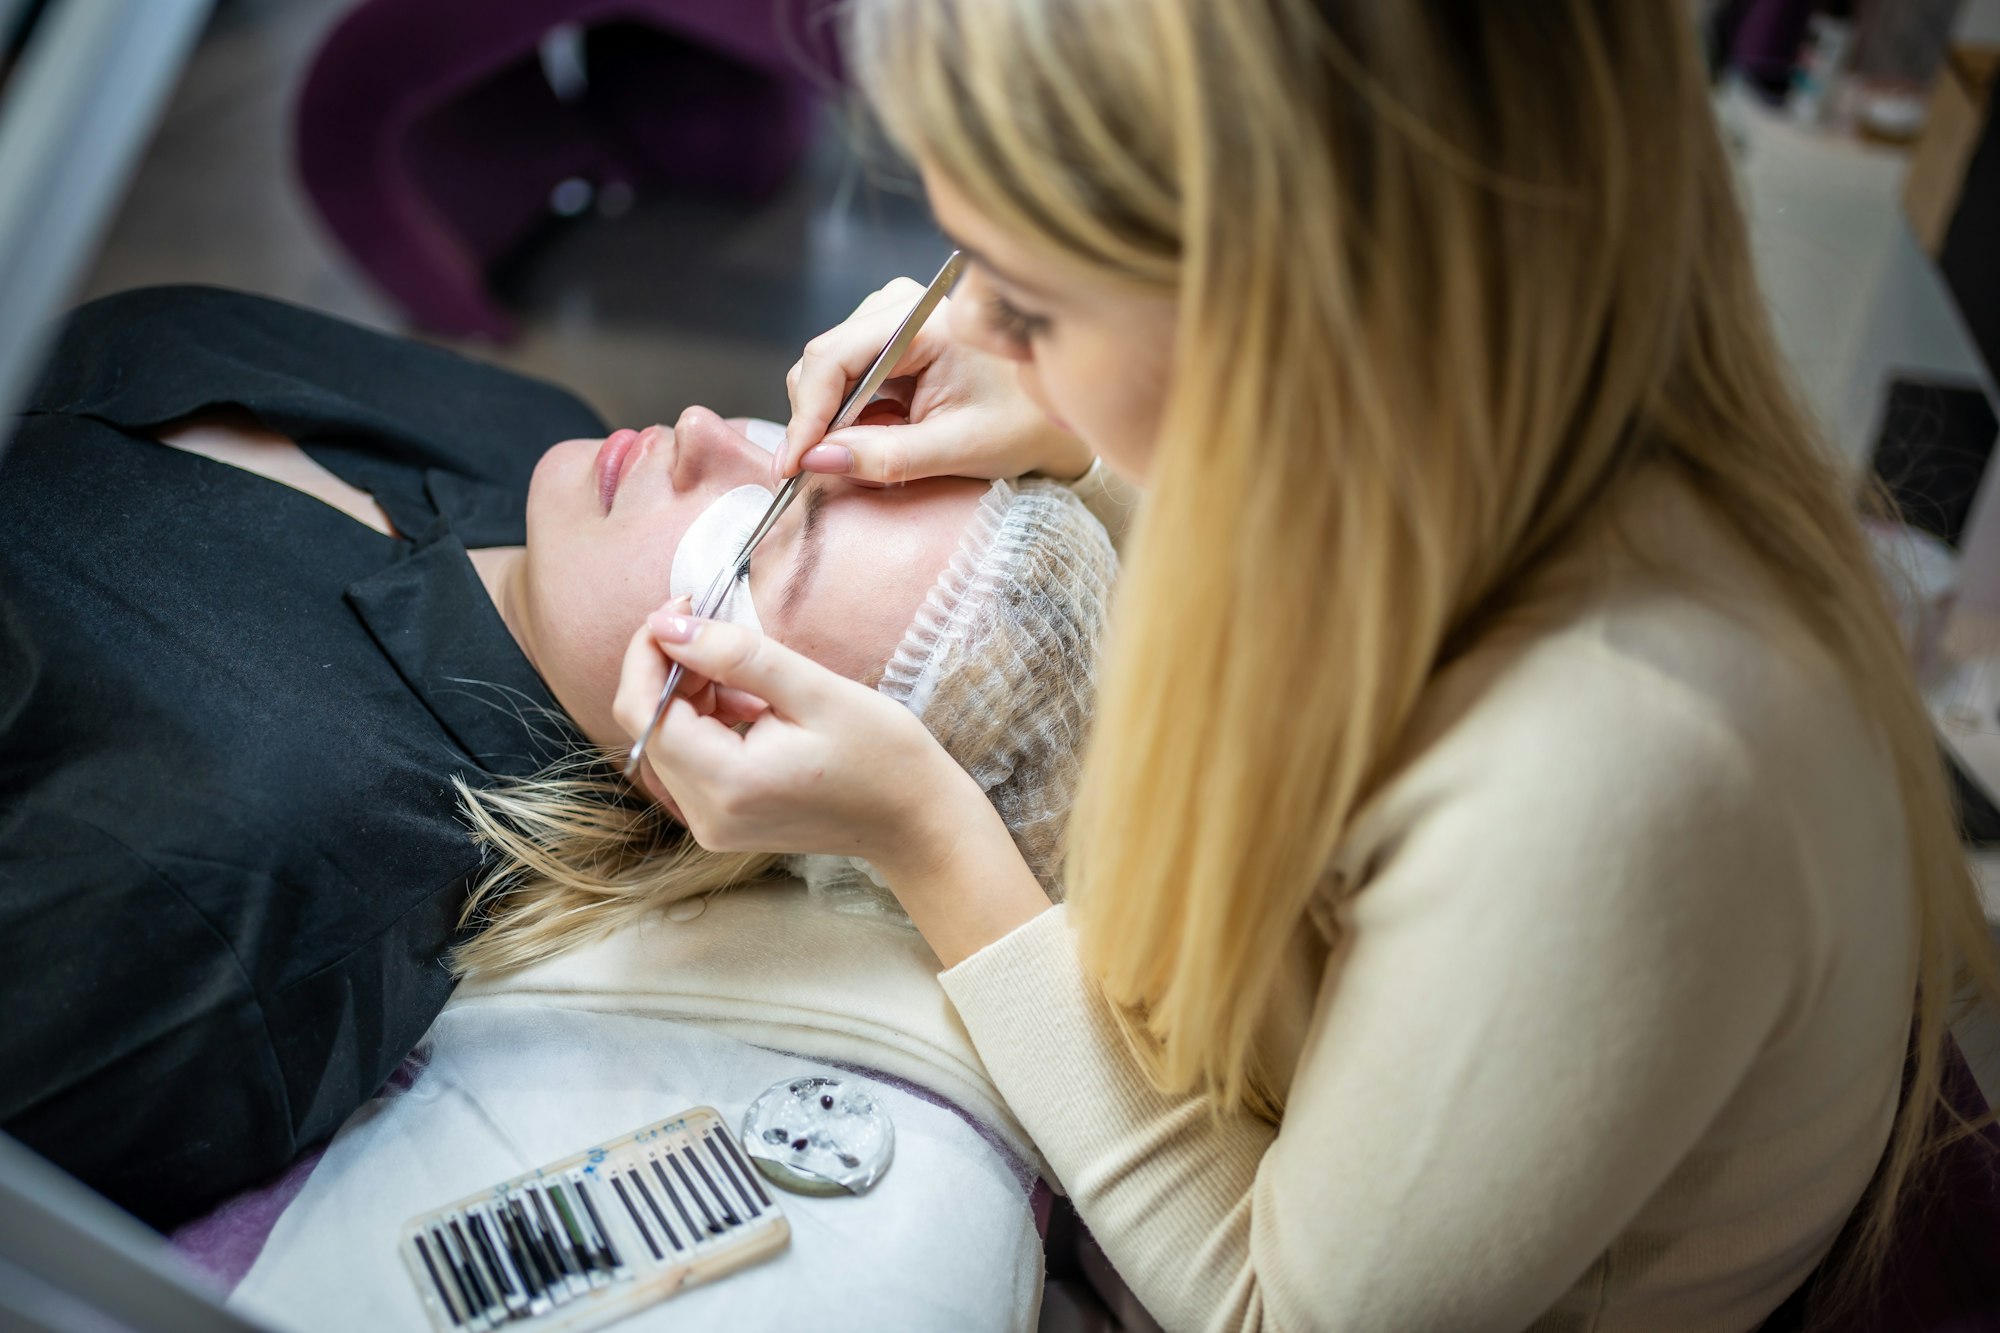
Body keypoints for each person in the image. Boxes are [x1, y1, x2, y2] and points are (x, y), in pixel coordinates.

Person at [617, 2, 2000, 1330]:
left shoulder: (1628, 765)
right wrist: (1079, 428)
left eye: (1029, 305)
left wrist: (928, 836)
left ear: (1298, 320)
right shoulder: (1483, 421)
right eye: (967, 267)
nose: (699, 428)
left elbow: (1287, 1309)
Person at [0, 284, 1116, 1230]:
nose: (698, 428)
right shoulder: (534, 431)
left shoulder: (235, 881)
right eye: (799, 444)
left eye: (749, 536)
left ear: (740, 754)